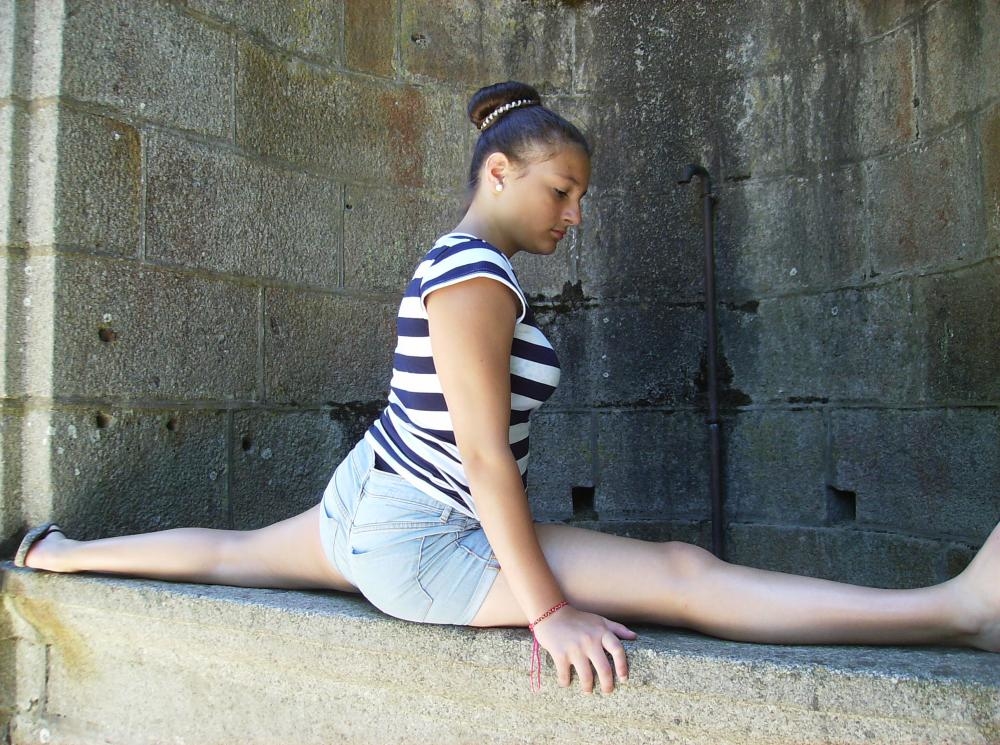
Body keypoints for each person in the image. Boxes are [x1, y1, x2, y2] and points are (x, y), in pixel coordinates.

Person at [13, 81, 1000, 696]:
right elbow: (485, 456)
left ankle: (57, 553)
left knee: (238, 555)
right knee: (681, 576)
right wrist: (545, 610)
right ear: (498, 171)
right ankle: (956, 611)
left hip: (377, 496)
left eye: (580, 196)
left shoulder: (462, 265)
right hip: (419, 531)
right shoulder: (474, 275)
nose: (574, 214)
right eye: (560, 191)